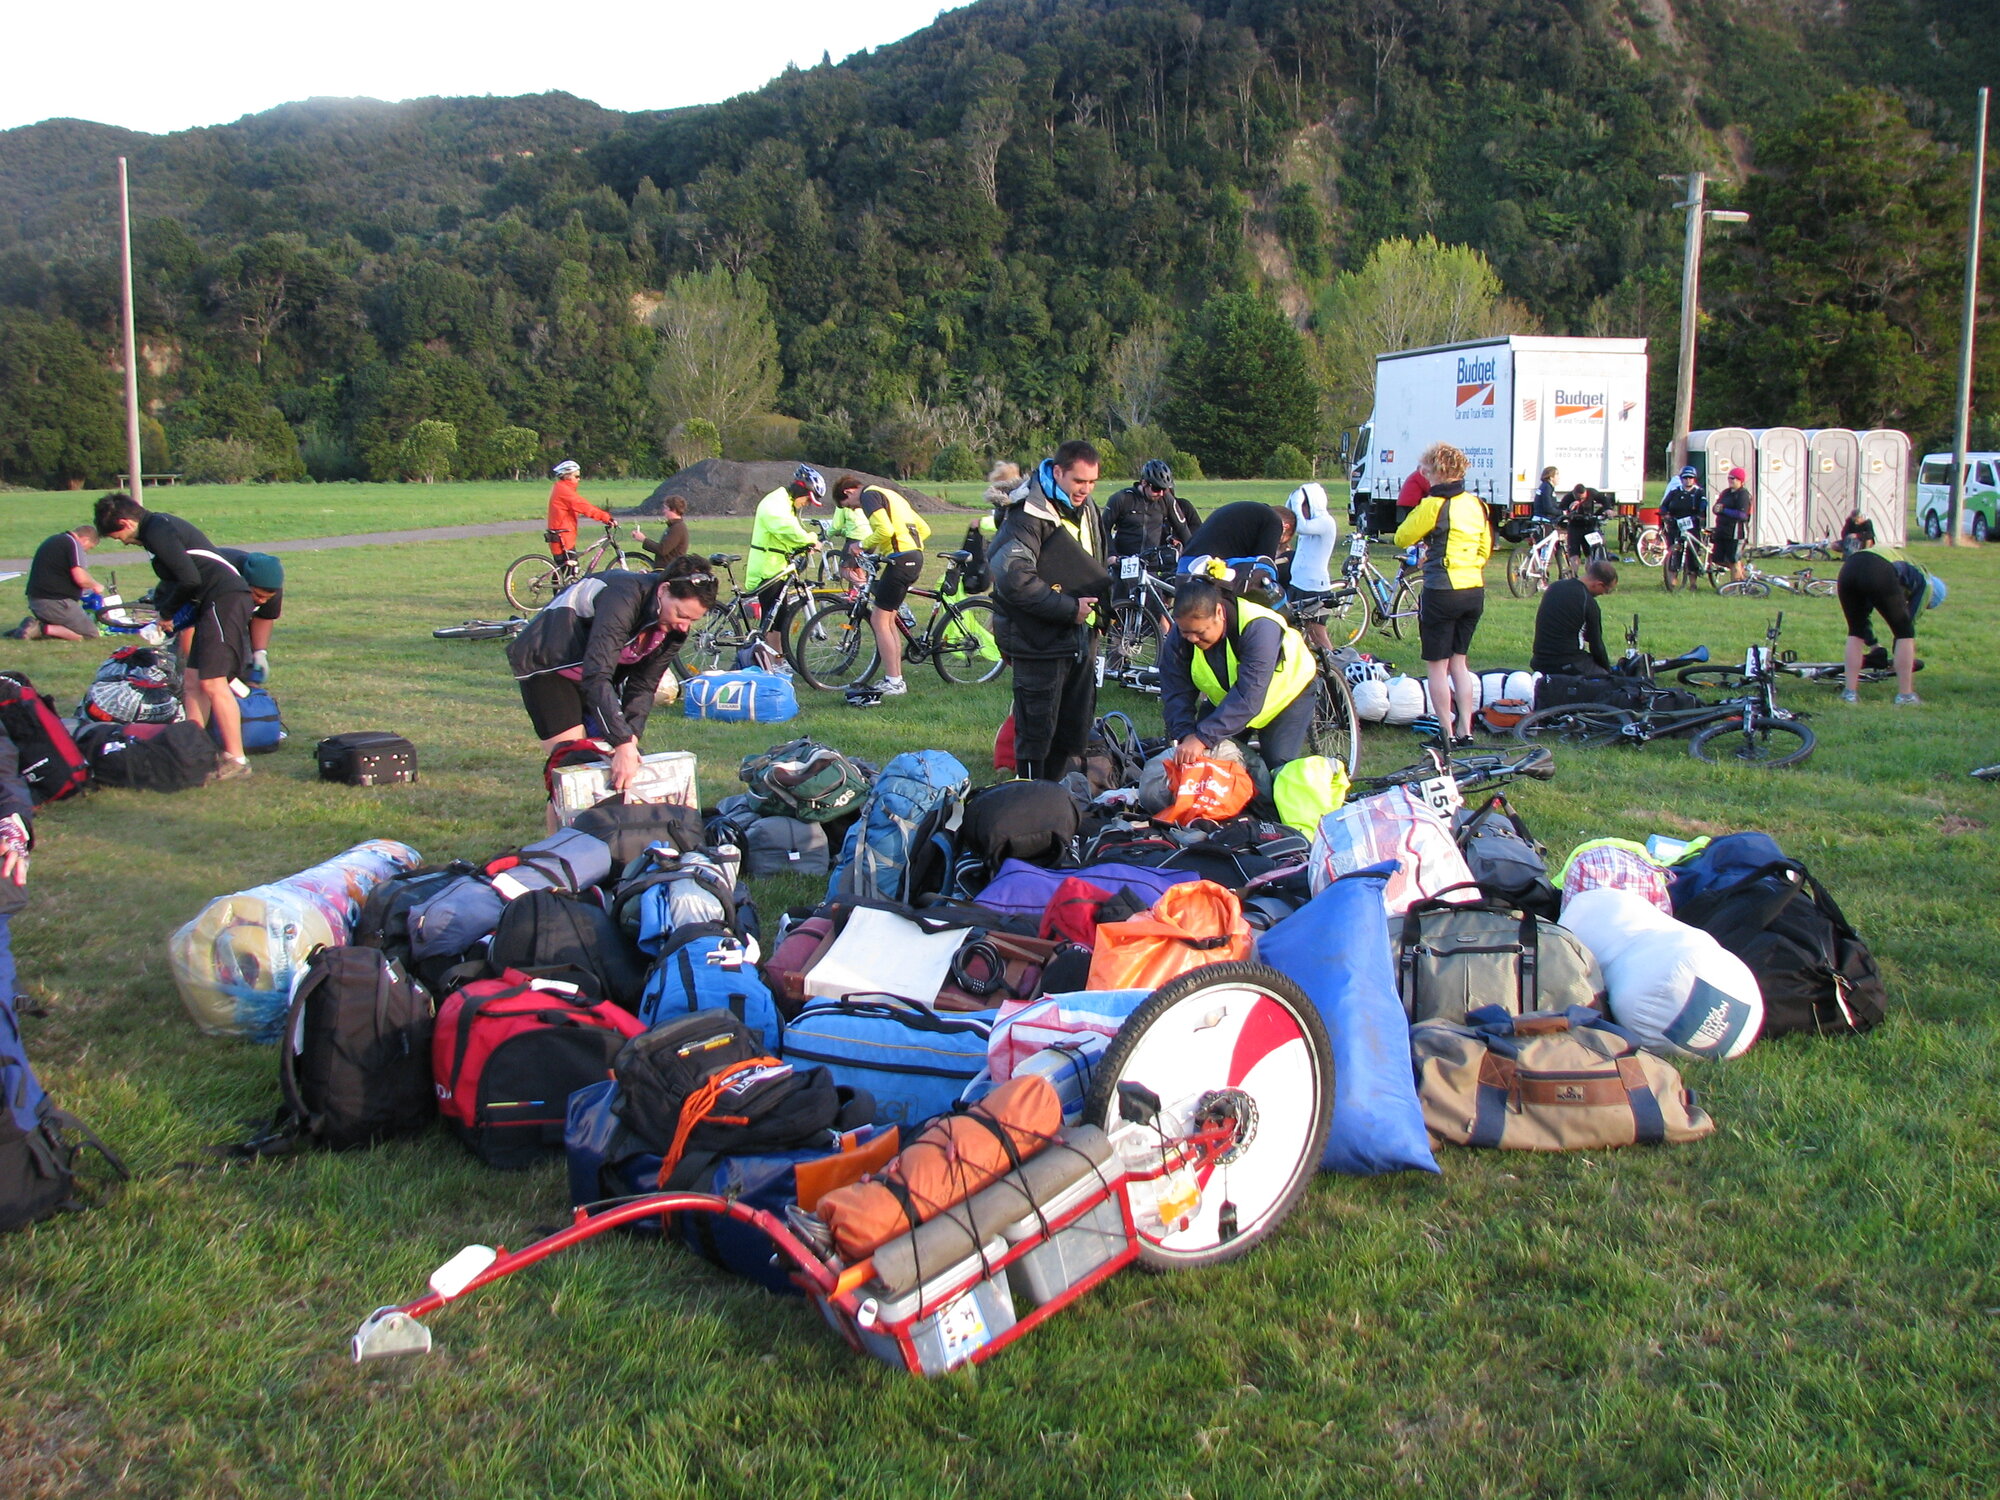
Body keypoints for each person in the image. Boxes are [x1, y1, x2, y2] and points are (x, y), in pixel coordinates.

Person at [506, 557, 719, 788]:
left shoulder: (675, 629)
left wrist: (630, 739)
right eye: (681, 614)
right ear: (664, 590)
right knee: (573, 766)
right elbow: (597, 674)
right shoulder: (623, 596)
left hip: (595, 675)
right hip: (549, 666)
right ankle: (565, 823)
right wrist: (622, 743)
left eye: (693, 620)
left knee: (618, 761)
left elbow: (644, 685)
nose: (684, 626)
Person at [91, 493, 254, 778]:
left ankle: (237, 760)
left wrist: (166, 613)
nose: (122, 542)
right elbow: (177, 578)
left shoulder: (156, 530)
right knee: (192, 681)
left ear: (125, 522)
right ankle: (193, 749)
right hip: (208, 603)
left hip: (224, 598)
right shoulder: (157, 529)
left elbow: (189, 578)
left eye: (118, 536)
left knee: (214, 683)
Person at [990, 439, 1111, 782]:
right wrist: (1069, 609)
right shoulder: (1026, 514)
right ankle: (1031, 797)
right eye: (1078, 481)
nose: (1085, 490)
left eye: (1092, 483)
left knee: (1074, 727)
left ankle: (1056, 797)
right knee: (1036, 732)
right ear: (1058, 472)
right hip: (1038, 639)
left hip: (1080, 637)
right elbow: (1014, 579)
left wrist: (1099, 614)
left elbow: (1094, 562)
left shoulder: (1088, 507)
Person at [1160, 575, 1320, 774]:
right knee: (1210, 761)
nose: (1192, 638)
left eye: (1200, 632)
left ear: (1219, 612)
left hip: (1287, 695)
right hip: (1231, 699)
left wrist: (1202, 737)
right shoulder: (1182, 634)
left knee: (1277, 767)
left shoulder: (1259, 627)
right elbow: (1175, 689)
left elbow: (1248, 696)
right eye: (1185, 632)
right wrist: (1185, 734)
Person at [1395, 443, 1490, 745]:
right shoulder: (1476, 504)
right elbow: (1484, 548)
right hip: (1473, 588)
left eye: (1425, 468)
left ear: (1435, 472)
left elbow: (1401, 537)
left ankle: (1446, 733)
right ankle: (1467, 730)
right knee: (1459, 663)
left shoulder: (1433, 505)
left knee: (1437, 666)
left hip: (1442, 590)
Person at [854, 476, 932, 698]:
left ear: (850, 491)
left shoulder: (869, 495)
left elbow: (885, 531)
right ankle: (895, 678)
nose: (856, 507)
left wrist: (861, 545)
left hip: (900, 560)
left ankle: (895, 682)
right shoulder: (893, 496)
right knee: (888, 620)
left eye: (851, 504)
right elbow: (924, 529)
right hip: (912, 557)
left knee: (880, 620)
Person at [1836, 548, 1944, 705]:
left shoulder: (1908, 571)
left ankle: (1849, 694)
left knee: (1855, 630)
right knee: (1905, 633)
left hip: (1850, 567)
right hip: (1878, 568)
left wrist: (1874, 646)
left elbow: (1864, 616)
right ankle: (1905, 696)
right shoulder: (1926, 584)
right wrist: (1896, 658)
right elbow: (1907, 624)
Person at [745, 465, 825, 666]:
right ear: (801, 490)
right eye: (807, 499)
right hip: (767, 567)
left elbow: (788, 533)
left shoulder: (786, 503)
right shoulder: (775, 502)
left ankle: (778, 661)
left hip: (777, 566)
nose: (806, 504)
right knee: (772, 622)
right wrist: (810, 540)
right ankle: (773, 664)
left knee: (778, 619)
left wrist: (804, 544)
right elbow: (785, 528)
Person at [11, 524, 105, 641]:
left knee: (75, 625)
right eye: (89, 548)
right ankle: (41, 628)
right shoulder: (72, 543)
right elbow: (80, 578)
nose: (85, 551)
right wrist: (95, 585)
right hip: (55, 603)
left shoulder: (55, 539)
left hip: (37, 601)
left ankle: (29, 627)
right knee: (91, 634)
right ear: (85, 540)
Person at [1530, 560, 1619, 675]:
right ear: (1599, 584)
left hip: (1539, 661)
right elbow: (1596, 645)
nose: (1603, 594)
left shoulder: (1555, 587)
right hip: (1566, 663)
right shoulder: (1588, 602)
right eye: (1606, 591)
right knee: (1606, 681)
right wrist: (1607, 671)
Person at [1283, 481, 1341, 652]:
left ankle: (1333, 669)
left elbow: (1300, 526)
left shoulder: (1326, 522)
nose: (1300, 512)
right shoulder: (1310, 524)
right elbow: (1291, 522)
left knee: (1317, 633)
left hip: (1315, 588)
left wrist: (1297, 497)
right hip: (1297, 584)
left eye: (1303, 506)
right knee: (1296, 630)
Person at [212, 549, 285, 683]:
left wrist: (259, 652)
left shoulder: (272, 587)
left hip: (234, 614)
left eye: (267, 598)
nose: (262, 601)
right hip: (196, 608)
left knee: (244, 667)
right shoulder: (221, 578)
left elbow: (264, 617)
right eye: (258, 595)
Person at [1101, 460, 1191, 559]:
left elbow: (1182, 529)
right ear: (1144, 483)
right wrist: (1111, 555)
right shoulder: (1122, 498)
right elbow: (1103, 527)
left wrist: (1193, 556)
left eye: (1164, 489)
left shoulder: (1166, 499)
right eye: (1156, 489)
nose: (1161, 493)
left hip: (1152, 561)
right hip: (1123, 560)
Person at [545, 460, 618, 560]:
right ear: (567, 476)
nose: (579, 479)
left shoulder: (561, 488)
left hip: (563, 536)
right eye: (576, 476)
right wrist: (606, 518)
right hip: (562, 537)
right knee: (569, 569)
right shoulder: (564, 491)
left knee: (567, 570)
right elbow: (584, 507)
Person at [1184, 501, 1288, 569]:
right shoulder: (1273, 521)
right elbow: (1264, 565)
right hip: (1208, 569)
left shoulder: (1247, 514)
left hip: (1185, 564)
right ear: (1285, 527)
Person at [1714, 467, 1753, 580]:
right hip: (1722, 530)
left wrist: (1724, 510)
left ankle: (1734, 587)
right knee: (1718, 559)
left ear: (1740, 480)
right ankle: (1742, 576)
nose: (1730, 480)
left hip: (1736, 532)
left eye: (1734, 478)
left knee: (1733, 559)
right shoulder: (1726, 493)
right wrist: (1717, 509)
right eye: (1729, 478)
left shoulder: (1743, 494)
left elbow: (1742, 515)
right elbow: (1716, 507)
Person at [1562, 483, 1611, 559]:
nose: (1581, 500)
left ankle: (1590, 570)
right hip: (1574, 527)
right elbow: (1561, 510)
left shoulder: (1591, 492)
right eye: (1579, 499)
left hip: (1588, 525)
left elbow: (1604, 499)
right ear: (1574, 494)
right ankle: (1574, 571)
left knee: (1589, 554)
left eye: (1583, 498)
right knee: (1574, 554)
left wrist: (1608, 509)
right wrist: (1570, 508)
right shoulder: (1568, 497)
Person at [641, 495, 690, 569]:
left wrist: (643, 539)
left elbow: (662, 550)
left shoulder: (677, 528)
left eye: (666, 508)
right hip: (665, 570)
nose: (664, 511)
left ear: (673, 510)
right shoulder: (674, 526)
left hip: (669, 572)